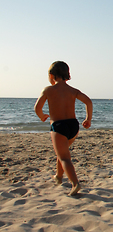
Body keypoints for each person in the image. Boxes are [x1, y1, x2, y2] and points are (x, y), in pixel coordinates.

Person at [34, 61, 93, 196]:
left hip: (59, 126)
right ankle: (59, 177)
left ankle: (75, 183)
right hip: (73, 125)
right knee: (62, 153)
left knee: (65, 157)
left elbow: (37, 107)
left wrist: (42, 116)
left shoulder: (48, 90)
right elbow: (88, 101)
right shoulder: (73, 91)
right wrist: (88, 119)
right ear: (67, 75)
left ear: (51, 75)